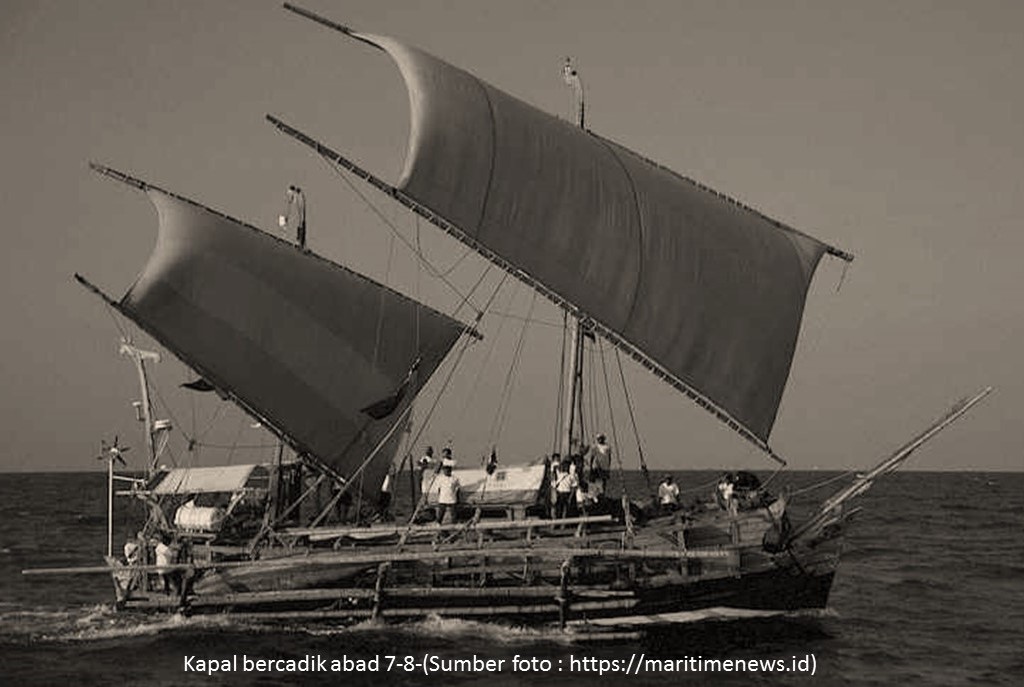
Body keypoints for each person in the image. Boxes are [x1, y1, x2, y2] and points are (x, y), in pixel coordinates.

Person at [433, 458, 461, 525]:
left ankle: (454, 523)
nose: (447, 471)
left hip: (452, 498)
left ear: (451, 470)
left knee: (454, 512)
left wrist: (458, 498)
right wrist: (439, 497)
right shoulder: (440, 478)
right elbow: (439, 489)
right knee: (441, 512)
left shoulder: (455, 478)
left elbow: (457, 489)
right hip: (443, 498)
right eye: (445, 469)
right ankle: (438, 522)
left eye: (448, 469)